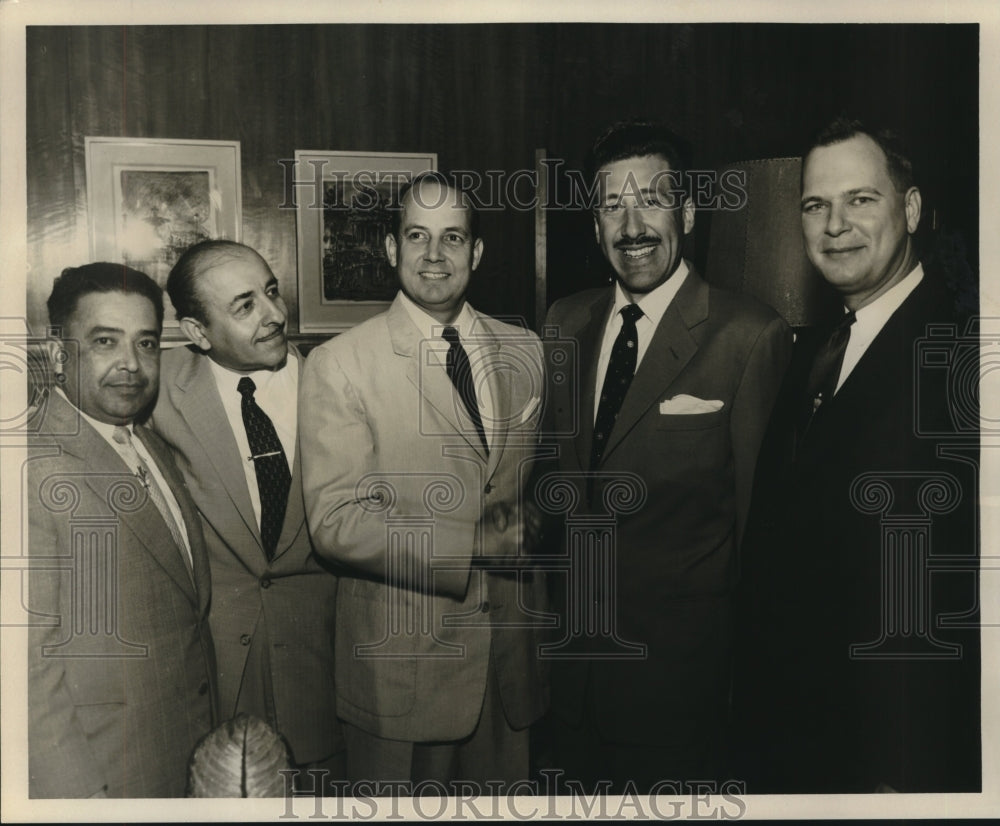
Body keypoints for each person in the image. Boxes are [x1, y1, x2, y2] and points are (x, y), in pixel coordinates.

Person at [539, 120, 792, 791]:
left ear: (686, 212)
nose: (632, 226)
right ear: (594, 225)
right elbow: (551, 484)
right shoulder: (564, 322)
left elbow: (761, 543)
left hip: (679, 696)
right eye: (611, 206)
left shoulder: (748, 335)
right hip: (568, 684)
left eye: (649, 200)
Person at [732, 117, 980, 793]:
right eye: (816, 205)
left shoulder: (962, 356)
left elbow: (962, 599)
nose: (834, 224)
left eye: (860, 200)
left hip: (888, 760)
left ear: (912, 208)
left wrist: (910, 776)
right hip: (794, 744)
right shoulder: (813, 352)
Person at [300, 172, 548, 792]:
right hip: (403, 674)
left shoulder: (528, 350)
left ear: (477, 252)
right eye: (417, 236)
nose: (435, 256)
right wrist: (470, 545)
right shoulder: (341, 363)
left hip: (509, 668)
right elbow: (335, 523)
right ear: (391, 249)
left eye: (453, 238)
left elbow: (523, 488)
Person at [148, 241, 343, 787]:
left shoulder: (336, 379)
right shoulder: (158, 391)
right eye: (245, 305)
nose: (275, 315)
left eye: (271, 291)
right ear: (197, 333)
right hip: (217, 672)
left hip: (324, 666)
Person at [26, 263, 217, 797]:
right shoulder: (28, 467)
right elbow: (24, 675)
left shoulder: (147, 442)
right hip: (106, 779)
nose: (131, 364)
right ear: (60, 353)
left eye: (147, 343)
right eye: (105, 341)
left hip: (180, 759)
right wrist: (79, 801)